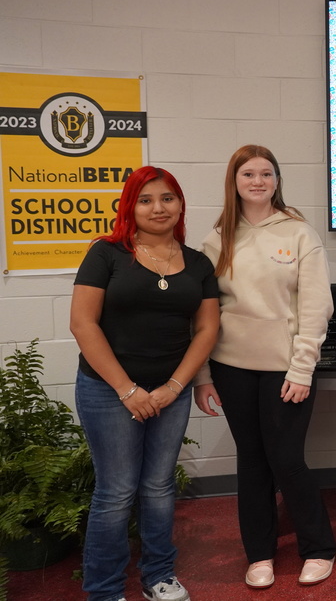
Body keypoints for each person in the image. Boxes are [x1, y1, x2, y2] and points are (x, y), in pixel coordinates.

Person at [71, 166, 220, 601]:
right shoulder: (106, 253)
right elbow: (82, 323)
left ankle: (158, 576)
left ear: (180, 205)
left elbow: (207, 329)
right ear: (130, 207)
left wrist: (174, 387)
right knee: (116, 492)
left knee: (158, 487)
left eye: (168, 198)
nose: (159, 207)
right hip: (107, 390)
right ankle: (103, 589)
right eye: (147, 199)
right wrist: (127, 390)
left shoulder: (198, 263)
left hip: (168, 392)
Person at [193, 145, 336, 589]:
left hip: (284, 369)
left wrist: (302, 368)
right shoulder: (217, 239)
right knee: (252, 461)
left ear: (277, 181)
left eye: (266, 174)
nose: (258, 181)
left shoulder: (299, 234)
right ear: (233, 181)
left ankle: (319, 547)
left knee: (287, 460)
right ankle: (260, 554)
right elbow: (202, 314)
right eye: (248, 174)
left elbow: (316, 307)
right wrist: (202, 376)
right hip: (231, 367)